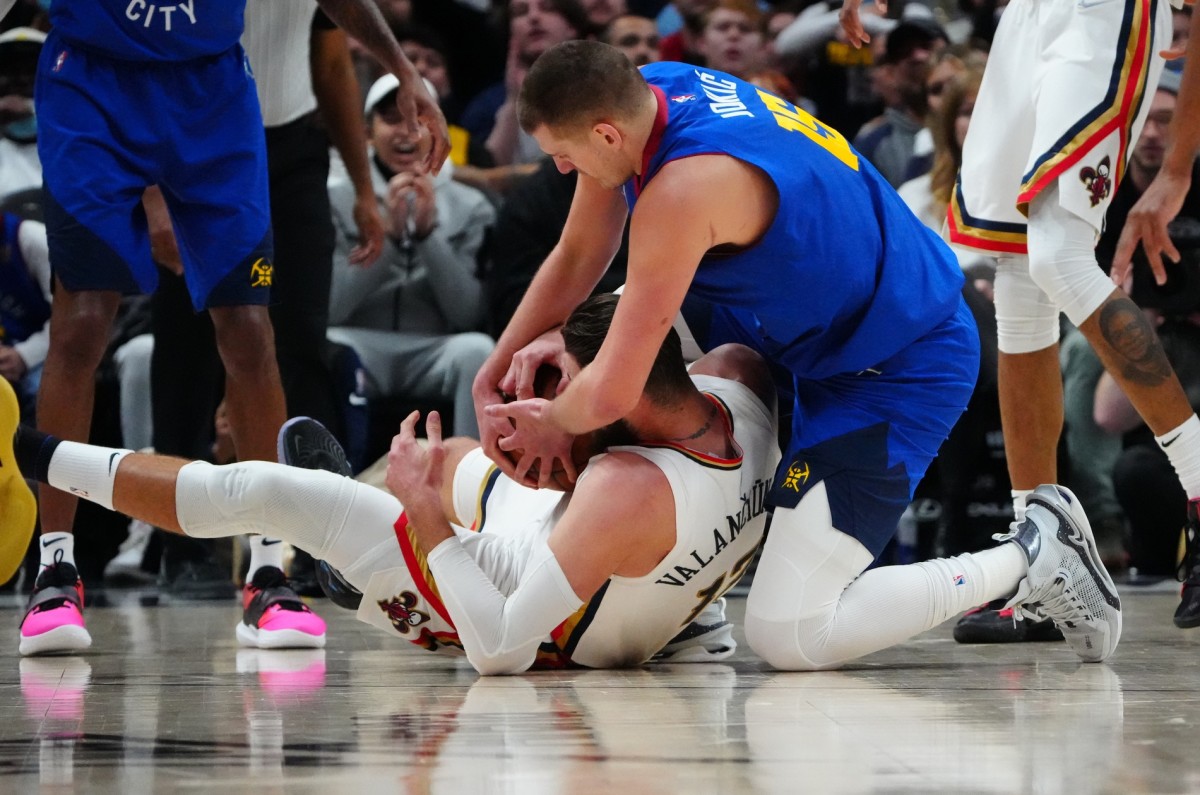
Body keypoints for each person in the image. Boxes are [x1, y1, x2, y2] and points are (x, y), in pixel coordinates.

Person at [471, 40, 1125, 668]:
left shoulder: (683, 188)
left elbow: (612, 392)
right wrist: (502, 364)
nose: (559, 169)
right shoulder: (651, 88)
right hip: (797, 313)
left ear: (606, 134)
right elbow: (580, 253)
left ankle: (1037, 552)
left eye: (563, 155)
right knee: (574, 351)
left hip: (897, 361)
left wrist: (551, 423)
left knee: (791, 634)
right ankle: (670, 582)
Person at [0, 293, 782, 672]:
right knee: (455, 456)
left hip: (521, 618)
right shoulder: (742, 385)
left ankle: (22, 446)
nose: (561, 399)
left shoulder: (620, 483)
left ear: (618, 384)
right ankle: (372, 525)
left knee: (261, 490)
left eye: (573, 382)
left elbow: (500, 651)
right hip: (619, 573)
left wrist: (426, 523)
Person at [3, 0, 448, 656]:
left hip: (211, 91)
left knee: (249, 331)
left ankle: (267, 571)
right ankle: (55, 571)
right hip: (92, 85)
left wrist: (400, 67)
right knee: (83, 321)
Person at [844, 0, 1200, 628]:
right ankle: (1044, 555)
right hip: (1024, 20)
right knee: (1015, 277)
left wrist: (1176, 167)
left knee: (1058, 258)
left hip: (1104, 13)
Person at [327, 74, 497, 439]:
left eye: (419, 119)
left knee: (478, 350)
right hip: (359, 340)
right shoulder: (336, 200)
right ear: (368, 132)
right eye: (391, 118)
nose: (406, 131)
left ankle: (469, 479)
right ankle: (322, 477)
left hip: (432, 349)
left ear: (438, 130)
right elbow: (330, 307)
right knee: (326, 346)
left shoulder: (472, 206)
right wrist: (386, 236)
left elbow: (467, 314)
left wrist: (426, 236)